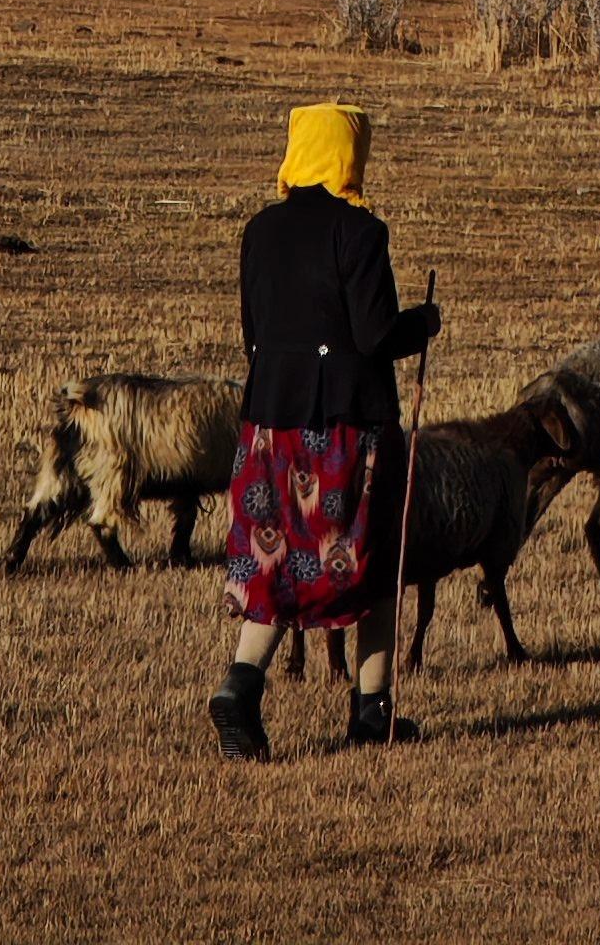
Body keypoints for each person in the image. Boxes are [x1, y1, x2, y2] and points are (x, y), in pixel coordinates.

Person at [207, 101, 439, 761]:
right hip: (343, 431)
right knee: (366, 560)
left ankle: (240, 686)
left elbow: (254, 335)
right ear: (347, 155)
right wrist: (422, 324)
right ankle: (373, 713)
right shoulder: (360, 232)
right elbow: (373, 335)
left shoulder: (259, 230)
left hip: (266, 428)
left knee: (272, 560)